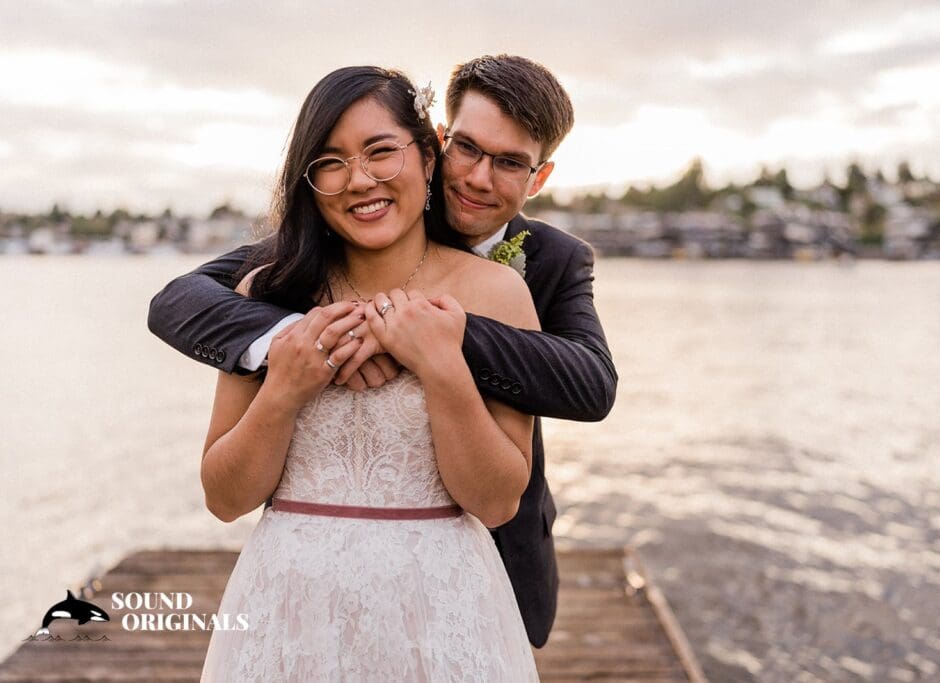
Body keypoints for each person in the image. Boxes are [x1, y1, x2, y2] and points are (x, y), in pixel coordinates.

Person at [148, 54, 617, 648]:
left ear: (538, 178)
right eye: (468, 150)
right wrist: (301, 347)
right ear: (440, 146)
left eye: (509, 163)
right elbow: (179, 301)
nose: (476, 178)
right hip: (293, 598)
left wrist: (433, 339)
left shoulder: (540, 268)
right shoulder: (292, 268)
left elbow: (591, 385)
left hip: (466, 580)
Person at [198, 66, 539, 680]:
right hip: (288, 610)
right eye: (330, 162)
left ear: (429, 157)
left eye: (381, 151)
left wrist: (442, 368)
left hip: (442, 611)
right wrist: (283, 389)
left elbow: (495, 501)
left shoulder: (499, 294)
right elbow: (224, 499)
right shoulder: (267, 293)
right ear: (309, 182)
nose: (359, 180)